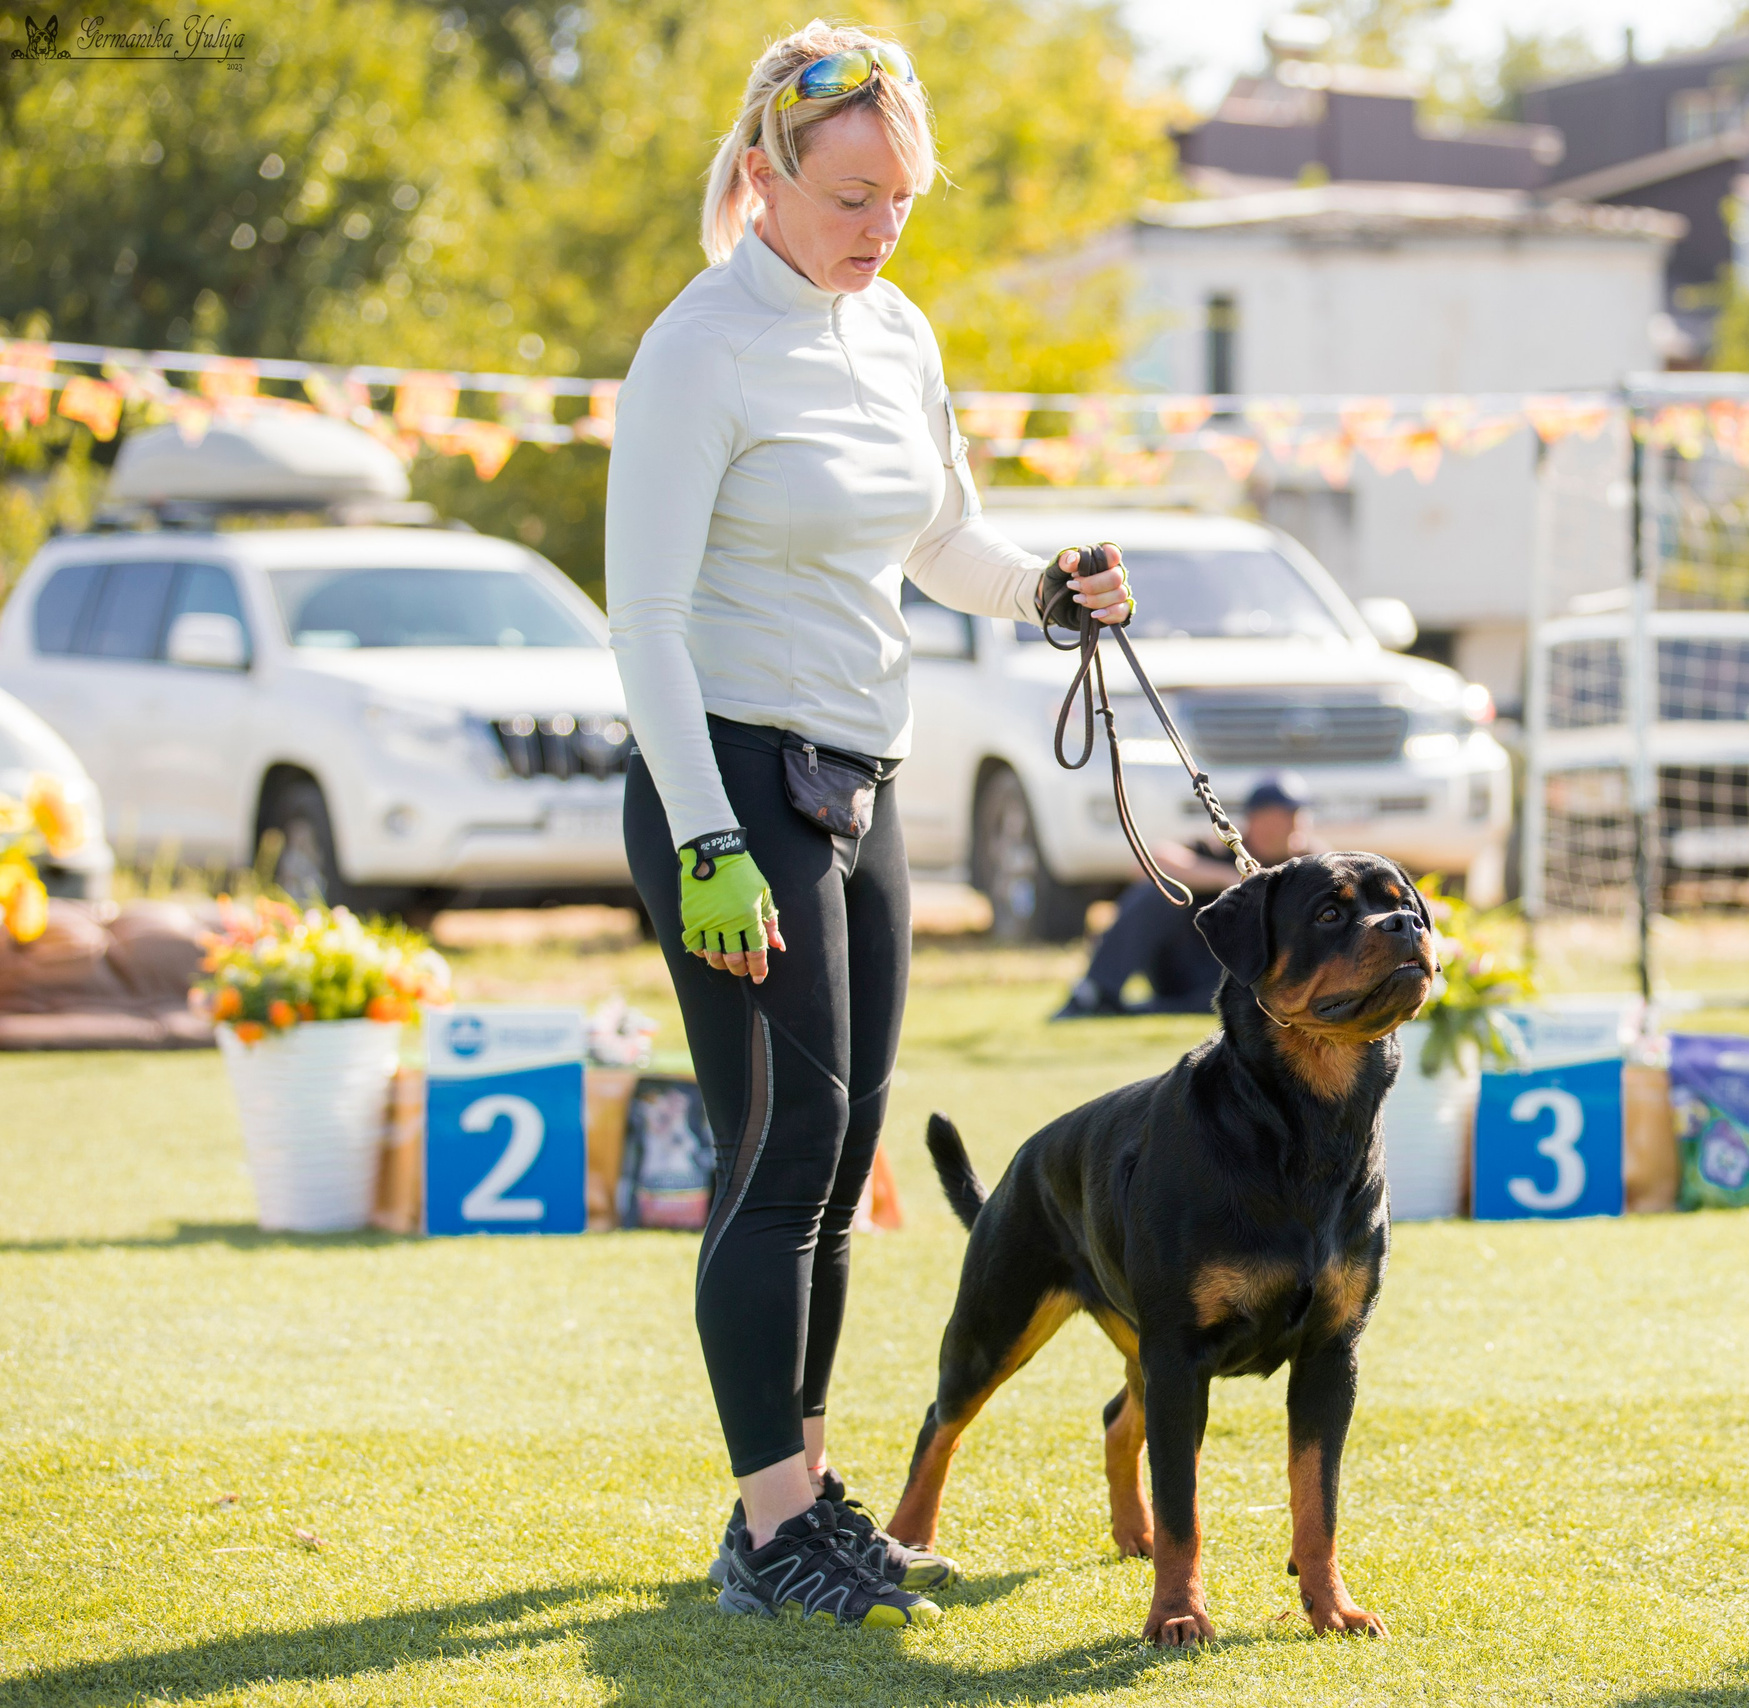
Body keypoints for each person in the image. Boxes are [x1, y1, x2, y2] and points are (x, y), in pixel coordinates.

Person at [604, 21, 1132, 1631]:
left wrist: (1045, 585)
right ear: (761, 178)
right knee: (778, 1154)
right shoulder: (700, 350)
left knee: (841, 1162)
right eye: (849, 194)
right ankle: (771, 1534)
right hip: (732, 789)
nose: (880, 224)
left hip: (864, 781)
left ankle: (808, 1498)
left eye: (901, 195)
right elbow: (647, 619)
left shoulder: (897, 328)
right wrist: (703, 840)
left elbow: (946, 541)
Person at [1055, 773, 1318, 1018]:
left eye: (1295, 815)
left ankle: (1134, 1010)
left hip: (1247, 980)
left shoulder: (1309, 862)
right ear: (1255, 820)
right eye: (1281, 816)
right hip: (1188, 963)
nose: (1291, 825)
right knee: (1161, 888)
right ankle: (1096, 992)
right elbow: (1150, 862)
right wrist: (1228, 879)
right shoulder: (1224, 850)